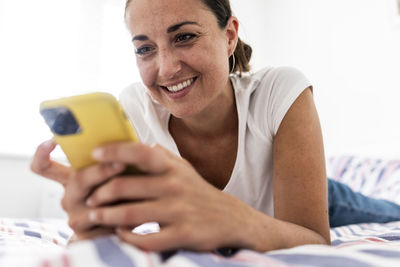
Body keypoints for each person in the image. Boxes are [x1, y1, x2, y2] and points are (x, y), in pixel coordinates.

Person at [31, 0, 400, 253]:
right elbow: (97, 242)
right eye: (145, 49)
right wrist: (91, 224)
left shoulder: (279, 90)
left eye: (185, 36)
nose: (167, 68)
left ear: (229, 35)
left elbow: (313, 240)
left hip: (314, 196)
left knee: (390, 214)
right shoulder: (135, 110)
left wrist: (228, 216)